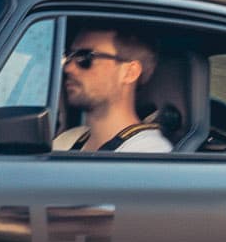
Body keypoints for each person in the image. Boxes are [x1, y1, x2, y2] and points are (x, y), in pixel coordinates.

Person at [54, 24, 173, 153]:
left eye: (85, 57)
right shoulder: (67, 139)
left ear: (129, 72)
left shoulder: (149, 153)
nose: (68, 68)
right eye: (69, 57)